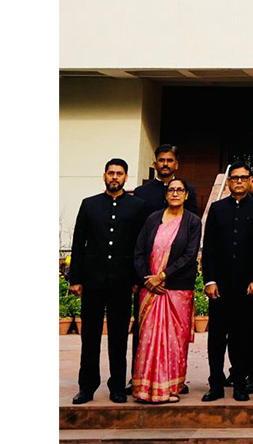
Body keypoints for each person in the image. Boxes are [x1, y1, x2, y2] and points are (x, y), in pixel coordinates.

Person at [68, 158, 150, 404]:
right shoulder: (89, 204)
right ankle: (87, 387)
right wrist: (75, 278)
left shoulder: (137, 206)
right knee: (90, 337)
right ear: (104, 175)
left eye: (119, 173)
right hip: (92, 281)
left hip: (122, 282)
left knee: (118, 337)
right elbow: (78, 242)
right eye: (111, 173)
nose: (115, 177)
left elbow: (140, 246)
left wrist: (137, 278)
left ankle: (117, 386)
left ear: (126, 177)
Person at [130, 176, 202, 403]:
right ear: (166, 194)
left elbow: (189, 255)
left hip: (177, 290)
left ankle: (170, 387)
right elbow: (139, 251)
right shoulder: (153, 219)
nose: (175, 193)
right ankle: (145, 388)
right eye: (171, 190)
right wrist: (147, 279)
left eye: (180, 190)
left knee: (174, 341)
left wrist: (162, 276)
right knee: (148, 339)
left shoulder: (192, 222)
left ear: (186, 195)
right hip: (150, 289)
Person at [201, 164, 253, 402]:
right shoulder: (218, 208)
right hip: (220, 285)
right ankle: (215, 385)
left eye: (243, 178)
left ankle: (239, 384)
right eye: (235, 178)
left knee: (241, 337)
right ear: (228, 182)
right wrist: (209, 280)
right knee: (216, 338)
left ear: (250, 181)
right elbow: (209, 247)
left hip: (246, 286)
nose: (239, 181)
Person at [135, 145, 201, 213]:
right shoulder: (141, 192)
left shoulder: (188, 191)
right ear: (155, 165)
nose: (165, 164)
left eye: (169, 160)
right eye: (161, 160)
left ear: (176, 165)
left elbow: (192, 218)